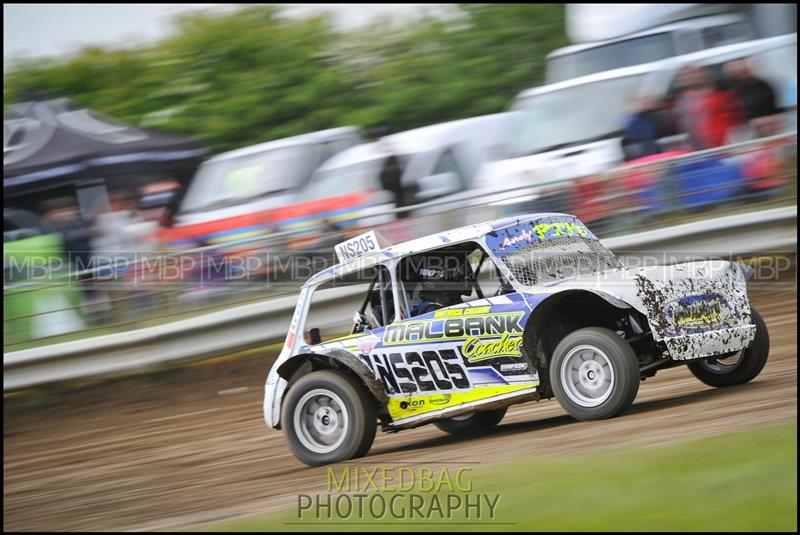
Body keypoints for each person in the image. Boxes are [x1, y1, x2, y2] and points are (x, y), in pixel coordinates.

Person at [673, 65, 746, 150]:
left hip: (725, 146)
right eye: (686, 75)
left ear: (704, 74)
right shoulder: (680, 102)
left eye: (693, 73)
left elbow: (737, 121)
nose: (690, 77)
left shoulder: (721, 95)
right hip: (697, 149)